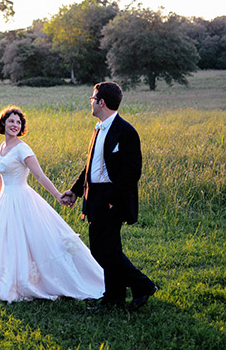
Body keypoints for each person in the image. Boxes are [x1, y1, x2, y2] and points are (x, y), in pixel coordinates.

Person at [0, 106, 104, 303]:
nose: (14, 125)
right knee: (4, 242)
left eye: (18, 123)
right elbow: (1, 175)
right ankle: (3, 278)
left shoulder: (23, 149)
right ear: (3, 123)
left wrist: (57, 196)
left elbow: (39, 175)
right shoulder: (2, 148)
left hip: (21, 199)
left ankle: (39, 280)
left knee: (32, 239)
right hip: (5, 201)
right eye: (11, 121)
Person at [61, 82, 157, 312]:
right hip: (93, 194)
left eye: (92, 98)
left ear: (101, 102)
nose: (90, 102)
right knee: (106, 248)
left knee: (104, 250)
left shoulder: (126, 131)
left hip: (111, 197)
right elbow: (90, 167)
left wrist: (112, 199)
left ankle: (142, 285)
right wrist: (75, 191)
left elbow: (132, 171)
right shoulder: (98, 128)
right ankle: (113, 297)